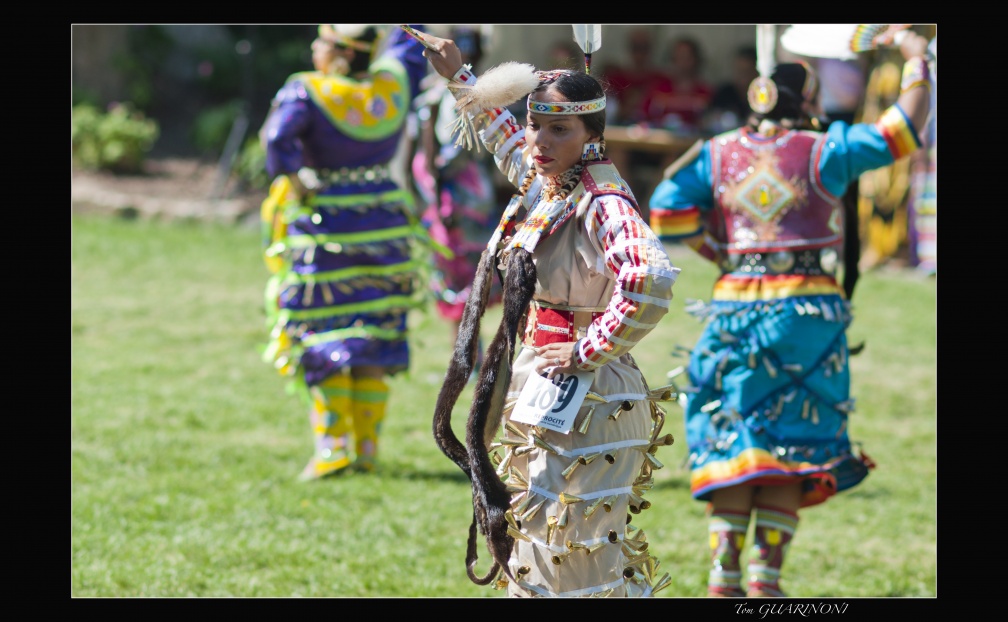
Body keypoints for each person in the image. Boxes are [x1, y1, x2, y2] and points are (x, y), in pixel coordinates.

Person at [647, 31, 932, 597]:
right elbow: (902, 130)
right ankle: (765, 582)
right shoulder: (828, 148)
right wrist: (917, 58)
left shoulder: (716, 151)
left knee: (734, 432)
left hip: (733, 307)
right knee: (790, 443)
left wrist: (722, 253)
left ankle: (724, 577)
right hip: (808, 311)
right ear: (807, 103)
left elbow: (668, 212)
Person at [420, 30, 682, 597]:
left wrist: (590, 347)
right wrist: (458, 76)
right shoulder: (550, 184)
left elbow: (651, 279)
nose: (538, 140)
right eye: (537, 124)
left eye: (558, 128)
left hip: (591, 401)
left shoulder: (603, 200)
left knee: (574, 549)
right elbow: (504, 137)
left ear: (592, 135)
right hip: (540, 385)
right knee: (531, 538)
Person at [259, 24, 429, 480]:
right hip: (386, 220)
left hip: (328, 225)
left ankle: (333, 448)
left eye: (320, 41)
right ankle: (367, 448)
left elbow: (277, 140)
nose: (313, 48)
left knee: (323, 326)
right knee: (375, 325)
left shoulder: (307, 89)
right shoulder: (391, 84)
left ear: (336, 51)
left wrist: (296, 181)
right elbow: (414, 43)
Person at [410, 26, 502, 357]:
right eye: (467, 51)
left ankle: (472, 344)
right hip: (450, 195)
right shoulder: (435, 96)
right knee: (456, 269)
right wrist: (436, 204)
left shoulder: (483, 93)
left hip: (476, 195)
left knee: (480, 267)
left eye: (474, 51)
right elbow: (429, 155)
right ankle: (464, 348)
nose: (472, 57)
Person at [600, 27, 673, 126]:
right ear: (628, 48)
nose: (639, 54)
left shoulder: (662, 80)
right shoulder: (613, 79)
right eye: (635, 47)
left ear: (651, 49)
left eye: (644, 48)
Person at [639, 35, 713, 133]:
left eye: (687, 57)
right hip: (659, 143)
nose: (682, 62)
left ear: (696, 60)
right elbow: (642, 118)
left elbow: (711, 122)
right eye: (678, 57)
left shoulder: (705, 91)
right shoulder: (658, 88)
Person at [703, 44, 759, 134]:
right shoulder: (724, 93)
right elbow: (706, 120)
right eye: (739, 70)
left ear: (756, 72)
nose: (742, 76)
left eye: (746, 71)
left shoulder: (763, 96)